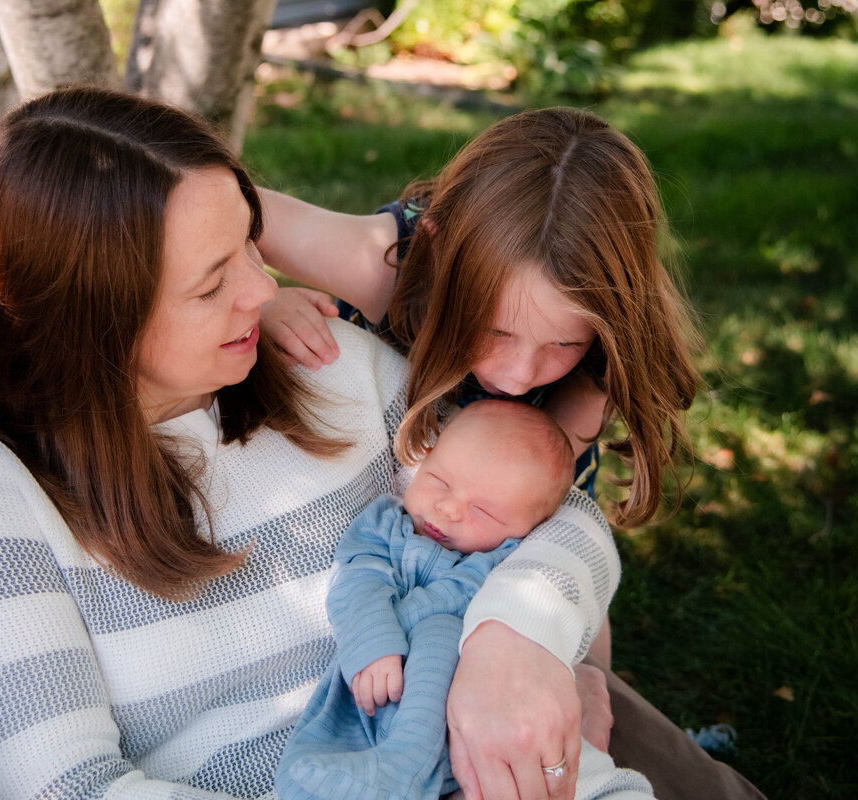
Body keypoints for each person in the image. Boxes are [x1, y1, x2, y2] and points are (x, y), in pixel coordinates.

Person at [0, 85, 624, 800]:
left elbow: (564, 518)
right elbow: (60, 786)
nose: (261, 288)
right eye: (211, 285)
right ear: (94, 317)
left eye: (250, 243)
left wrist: (515, 638)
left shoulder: (334, 365)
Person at [255, 108, 764, 799]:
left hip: (502, 550)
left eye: (561, 342)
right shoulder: (388, 262)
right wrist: (258, 302)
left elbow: (558, 518)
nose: (522, 376)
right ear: (440, 253)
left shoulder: (593, 370)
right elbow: (208, 213)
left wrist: (574, 671)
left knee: (593, 713)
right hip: (381, 568)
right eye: (494, 331)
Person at [277, 400, 652, 800]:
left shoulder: (504, 561)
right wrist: (371, 642)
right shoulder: (387, 526)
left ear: (528, 530)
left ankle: (404, 771)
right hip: (375, 694)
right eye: (439, 481)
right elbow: (357, 580)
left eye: (483, 511)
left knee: (444, 632)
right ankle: (386, 773)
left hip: (474, 723)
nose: (449, 508)